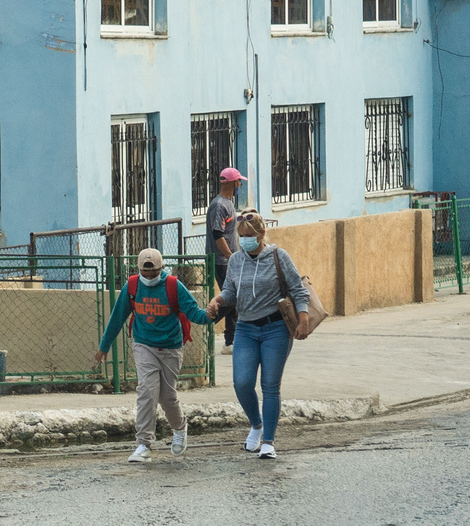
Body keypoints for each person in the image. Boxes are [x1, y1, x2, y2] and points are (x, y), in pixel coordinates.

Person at [208, 212, 313, 462]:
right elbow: (230, 291)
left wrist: (304, 319)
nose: (244, 241)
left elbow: (298, 289)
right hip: (245, 327)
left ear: (261, 234)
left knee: (270, 386)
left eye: (249, 236)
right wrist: (218, 300)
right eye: (241, 236)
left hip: (275, 328)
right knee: (242, 382)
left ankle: (268, 441)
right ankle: (256, 424)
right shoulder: (236, 261)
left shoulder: (279, 256)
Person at [98, 247, 210, 463]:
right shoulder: (131, 286)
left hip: (170, 347)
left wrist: (211, 315)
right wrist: (105, 346)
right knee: (147, 391)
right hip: (143, 344)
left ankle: (179, 427)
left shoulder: (173, 286)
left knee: (167, 396)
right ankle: (143, 444)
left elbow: (193, 312)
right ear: (138, 269)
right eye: (145, 274)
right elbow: (117, 317)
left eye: (154, 274)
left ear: (161, 269)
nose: (149, 278)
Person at [205, 167, 244, 350]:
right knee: (231, 298)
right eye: (239, 181)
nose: (240, 185)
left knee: (233, 300)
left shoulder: (228, 203)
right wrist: (231, 257)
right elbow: (217, 234)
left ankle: (230, 342)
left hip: (228, 260)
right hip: (221, 261)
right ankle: (204, 323)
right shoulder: (219, 205)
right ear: (232, 183)